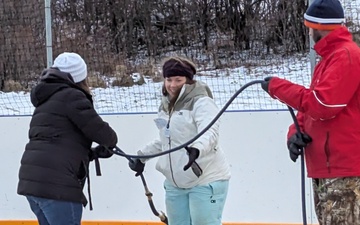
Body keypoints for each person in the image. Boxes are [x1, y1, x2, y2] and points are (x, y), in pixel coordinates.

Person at [261, 0, 360, 224]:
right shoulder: (331, 58)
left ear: (316, 27)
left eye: (308, 27)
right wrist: (294, 133)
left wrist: (278, 87)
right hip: (329, 168)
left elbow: (323, 105)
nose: (308, 32)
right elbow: (312, 107)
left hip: (344, 170)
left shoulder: (345, 56)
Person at [17, 52, 118, 225]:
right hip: (56, 187)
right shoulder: (72, 96)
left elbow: (58, 142)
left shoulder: (46, 99)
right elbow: (102, 133)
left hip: (33, 182)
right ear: (81, 77)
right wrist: (110, 143)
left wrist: (92, 153)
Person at [128, 56, 231, 225]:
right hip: (176, 184)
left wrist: (196, 149)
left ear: (189, 81)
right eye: (169, 79)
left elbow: (210, 133)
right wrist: (141, 156)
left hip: (205, 180)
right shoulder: (166, 105)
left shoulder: (202, 102)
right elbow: (167, 140)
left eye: (179, 80)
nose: (173, 85)